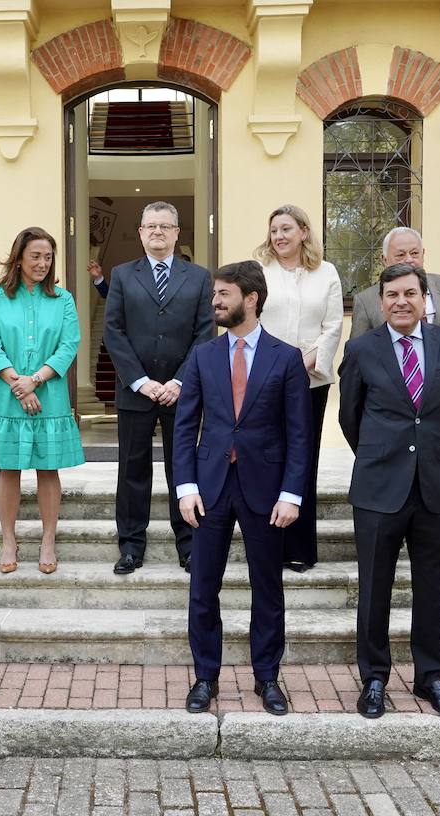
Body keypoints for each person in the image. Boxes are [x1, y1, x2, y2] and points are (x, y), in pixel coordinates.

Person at [173, 261, 311, 715]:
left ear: (250, 299)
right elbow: (184, 427)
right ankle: (205, 677)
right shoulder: (202, 356)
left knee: (267, 587)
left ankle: (267, 677)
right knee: (203, 587)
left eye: (224, 294)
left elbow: (299, 433)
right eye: (215, 294)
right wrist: (185, 486)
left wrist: (292, 495)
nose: (215, 301)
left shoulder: (285, 357)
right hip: (209, 488)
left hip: (266, 490)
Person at [338, 264, 440, 720]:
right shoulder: (360, 350)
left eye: (410, 293)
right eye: (391, 294)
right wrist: (382, 454)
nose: (401, 302)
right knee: (374, 588)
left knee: (432, 587)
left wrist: (424, 453)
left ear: (424, 299)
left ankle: (431, 677)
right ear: (379, 300)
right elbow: (349, 417)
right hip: (379, 486)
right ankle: (374, 677)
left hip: (435, 487)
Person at [349, 226, 440, 577]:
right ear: (385, 260)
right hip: (388, 422)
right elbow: (353, 398)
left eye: (415, 253)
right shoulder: (369, 300)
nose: (410, 259)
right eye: (401, 255)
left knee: (439, 475)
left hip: (438, 411)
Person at [99, 202, 215, 576]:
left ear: (177, 232)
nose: (157, 232)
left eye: (165, 226)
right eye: (150, 226)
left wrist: (180, 381)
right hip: (136, 391)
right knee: (132, 470)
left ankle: (189, 545)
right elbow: (113, 331)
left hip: (182, 391)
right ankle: (131, 546)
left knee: (183, 467)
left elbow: (205, 332)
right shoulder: (121, 275)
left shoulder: (198, 278)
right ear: (141, 232)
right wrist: (141, 381)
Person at [0, 227, 85, 574]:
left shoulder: (62, 299)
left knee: (49, 468)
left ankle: (48, 539)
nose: (43, 263)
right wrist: (17, 383)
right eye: (35, 256)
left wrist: (34, 380)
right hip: (7, 395)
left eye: (48, 257)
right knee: (10, 467)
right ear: (18, 258)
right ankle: (8, 538)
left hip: (49, 394)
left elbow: (69, 344)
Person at [255, 204, 343, 573]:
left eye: (287, 229)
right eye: (274, 230)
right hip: (264, 382)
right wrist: (276, 367)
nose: (280, 236)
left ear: (304, 232)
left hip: (310, 381)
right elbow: (250, 319)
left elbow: (334, 325)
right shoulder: (259, 272)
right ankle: (267, 545)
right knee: (267, 460)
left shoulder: (327, 274)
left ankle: (300, 548)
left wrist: (303, 362)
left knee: (302, 461)